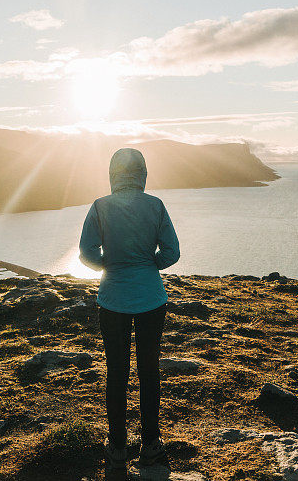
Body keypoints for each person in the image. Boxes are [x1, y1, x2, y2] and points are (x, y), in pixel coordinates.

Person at [79, 147, 180, 470]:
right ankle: (150, 444)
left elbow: (86, 252)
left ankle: (118, 447)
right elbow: (172, 252)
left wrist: (110, 264)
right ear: (143, 174)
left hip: (113, 300)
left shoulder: (100, 207)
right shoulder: (156, 206)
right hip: (152, 299)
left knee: (117, 373)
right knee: (149, 371)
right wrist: (150, 265)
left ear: (112, 174)